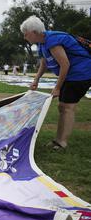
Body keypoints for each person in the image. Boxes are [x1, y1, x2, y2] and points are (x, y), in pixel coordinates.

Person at [20, 15, 91, 150]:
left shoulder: (52, 40)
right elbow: (44, 63)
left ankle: (61, 142)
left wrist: (57, 87)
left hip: (81, 73)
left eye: (26, 34)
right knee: (62, 107)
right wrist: (36, 80)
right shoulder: (42, 43)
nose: (24, 37)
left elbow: (65, 64)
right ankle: (59, 139)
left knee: (66, 107)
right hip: (72, 75)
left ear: (34, 32)